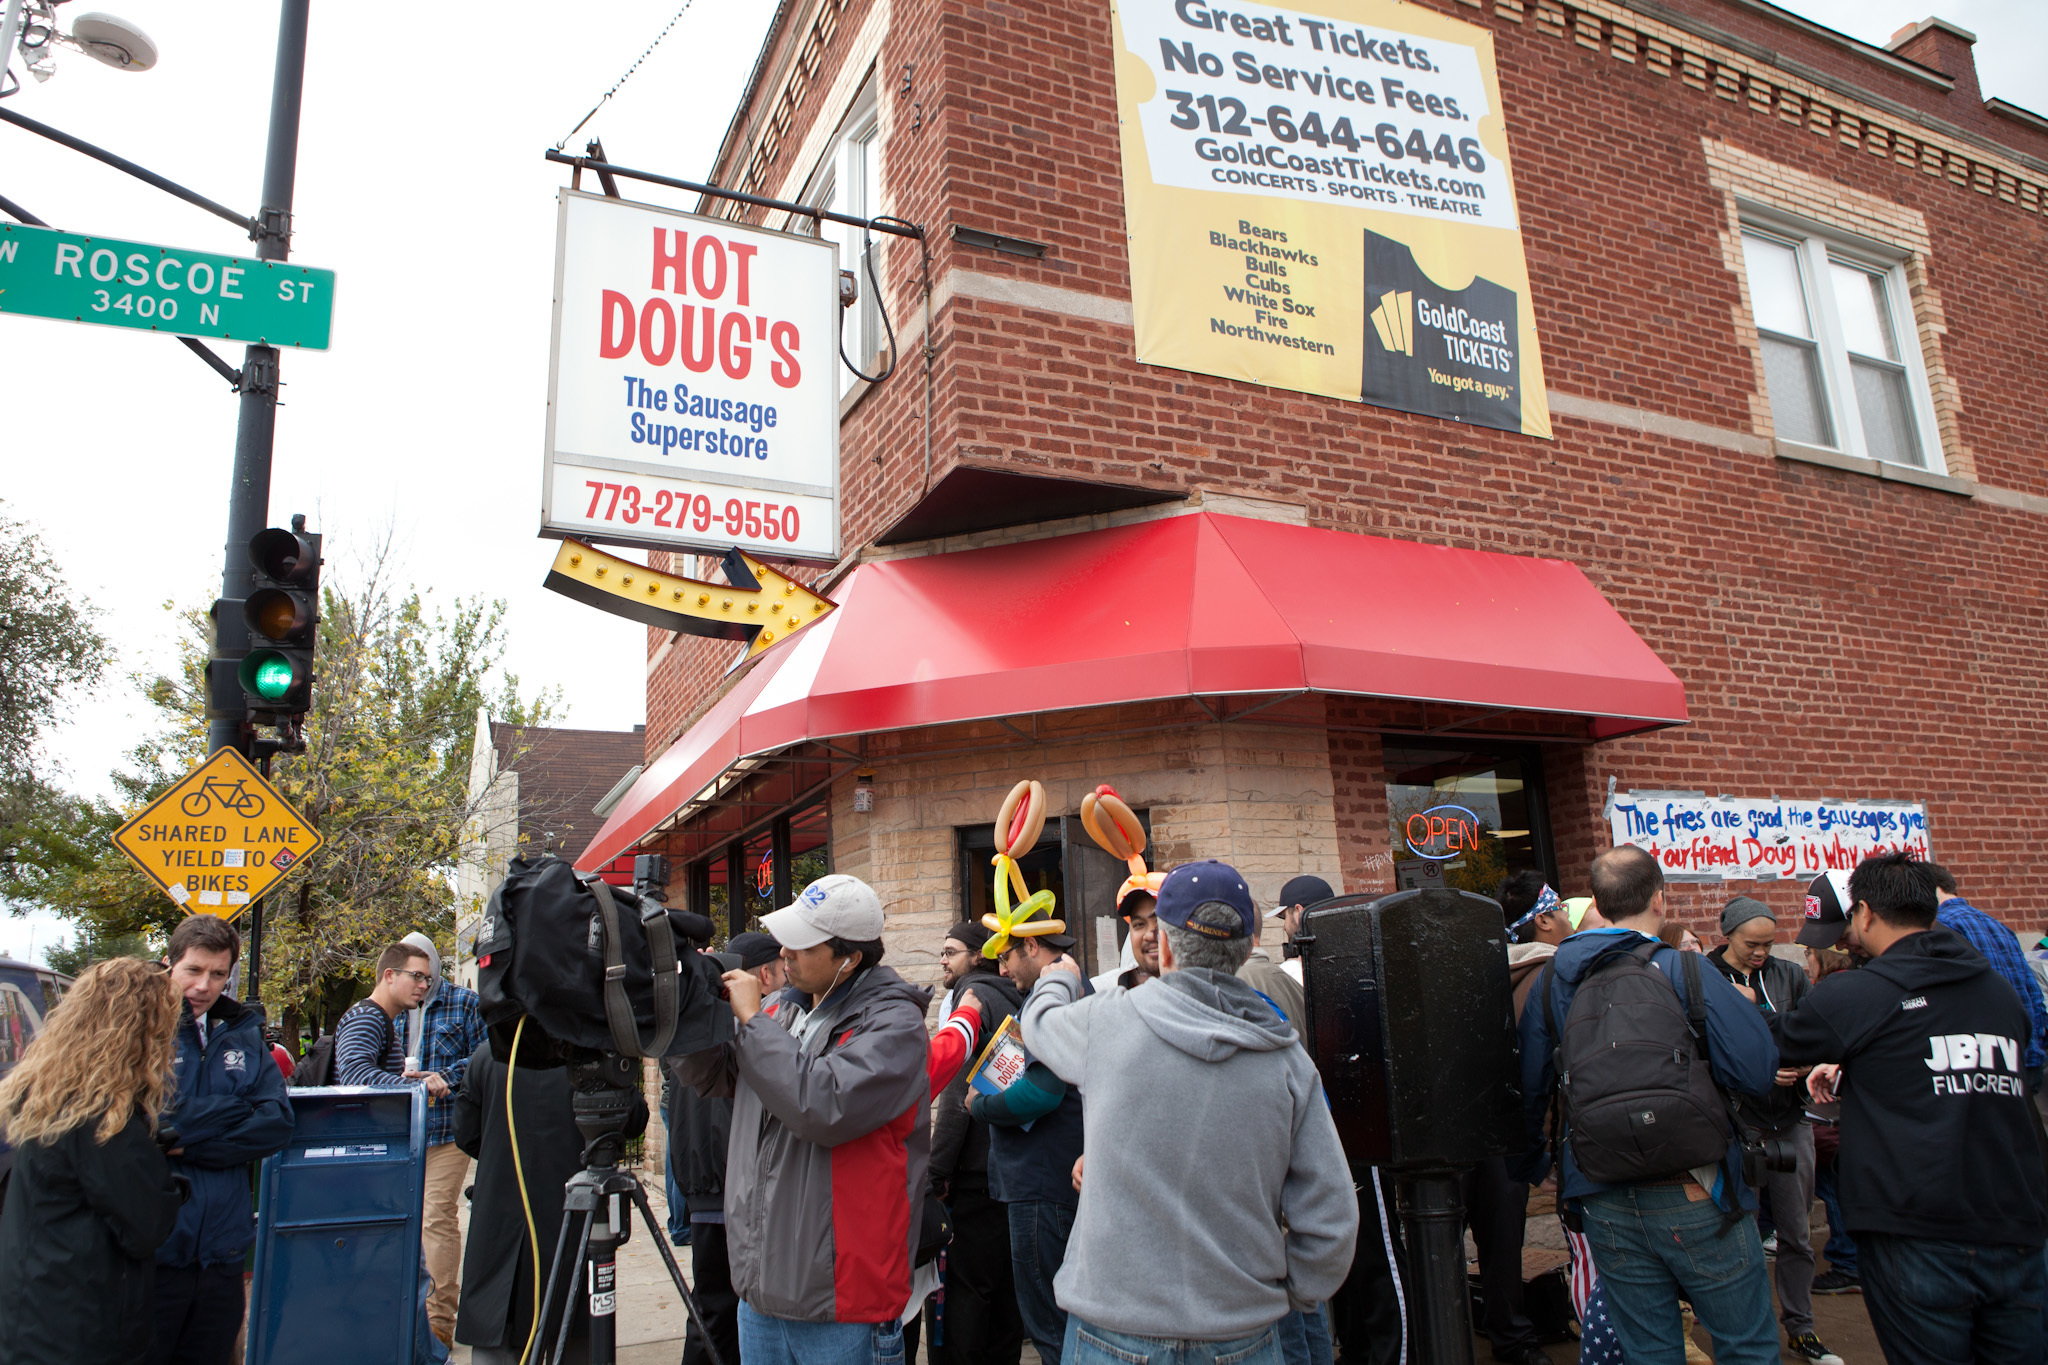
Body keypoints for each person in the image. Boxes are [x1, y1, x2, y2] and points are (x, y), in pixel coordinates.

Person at [1017, 859, 1359, 1365]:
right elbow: (1331, 1217)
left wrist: (1058, 977)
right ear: (1247, 947)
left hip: (1111, 1330)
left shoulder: (1105, 1022)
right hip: (1243, 1333)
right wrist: (1287, 1296)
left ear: (1169, 944)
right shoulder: (1287, 1059)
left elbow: (1039, 1024)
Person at [1518, 846, 1781, 1365]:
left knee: (1649, 1351)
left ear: (1595, 902)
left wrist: (1536, 1164)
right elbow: (1756, 1070)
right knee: (1744, 1344)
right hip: (1698, 1184)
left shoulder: (1551, 981)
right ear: (1660, 899)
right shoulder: (1684, 970)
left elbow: (1528, 1090)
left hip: (1601, 1190)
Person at [1779, 852, 2048, 1360]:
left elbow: (1767, 1045)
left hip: (1915, 1230)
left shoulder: (1858, 992)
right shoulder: (1996, 991)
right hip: (2016, 1226)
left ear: (1864, 914)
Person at [675, 874, 932, 1365]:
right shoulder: (780, 1009)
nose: (785, 953)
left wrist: (751, 1022)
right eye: (785, 940)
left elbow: (821, 1103)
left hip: (842, 1301)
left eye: (802, 944)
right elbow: (710, 1076)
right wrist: (690, 1007)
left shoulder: (893, 1024)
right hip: (763, 1290)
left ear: (850, 958)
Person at [0, 958, 188, 1365]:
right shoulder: (104, 1117)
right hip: (84, 1324)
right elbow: (148, 1224)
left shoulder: (49, 1092)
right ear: (140, 1033)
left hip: (34, 1311)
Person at [145, 916, 294, 1365]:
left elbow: (276, 1124)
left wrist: (187, 1145)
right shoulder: (141, 1031)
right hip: (155, 1247)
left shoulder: (243, 1033)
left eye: (217, 975)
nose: (203, 986)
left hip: (223, 1251)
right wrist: (233, 1110)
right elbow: (147, 1124)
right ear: (170, 965)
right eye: (193, 970)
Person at [1702, 897, 1837, 1365]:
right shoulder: (1703, 975)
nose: (1760, 953)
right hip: (1736, 1124)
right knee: (1738, 1237)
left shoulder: (1789, 974)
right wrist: (1755, 1068)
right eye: (1749, 944)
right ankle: (1748, 1334)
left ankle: (1801, 1328)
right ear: (1727, 933)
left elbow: (1809, 1030)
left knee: (1797, 1234)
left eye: (1767, 944)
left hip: (1790, 1118)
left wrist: (1797, 1065)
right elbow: (1701, 1045)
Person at [453, 1040, 646, 1365]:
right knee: (573, 1338)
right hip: (569, 1229)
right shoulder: (593, 1058)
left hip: (504, 1229)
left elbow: (466, 1132)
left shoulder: (488, 1054)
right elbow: (635, 1120)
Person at [973, 905, 1087, 1365]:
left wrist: (979, 1106)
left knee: (1051, 1324)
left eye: (1006, 958)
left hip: (1043, 1185)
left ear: (1033, 947)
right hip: (1057, 1178)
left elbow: (1042, 1092)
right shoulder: (1079, 991)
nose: (1002, 970)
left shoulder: (1052, 1002)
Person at [672, 930, 784, 1365]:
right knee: (719, 1310)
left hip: (709, 1184)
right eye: (782, 967)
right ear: (763, 975)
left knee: (712, 1309)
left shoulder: (718, 1021)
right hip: (725, 1189)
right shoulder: (736, 1028)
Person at [928, 920, 1025, 1365]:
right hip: (1015, 1167)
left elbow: (953, 1094)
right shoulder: (1021, 995)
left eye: (951, 951)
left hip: (974, 1173)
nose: (943, 960)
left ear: (977, 956)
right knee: (1006, 1290)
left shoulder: (974, 998)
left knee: (968, 1292)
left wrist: (937, 1169)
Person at [398, 950, 486, 1348]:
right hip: (403, 1129)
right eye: (411, 975)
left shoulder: (464, 1002)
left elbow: (487, 1056)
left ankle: (439, 1325)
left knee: (436, 1216)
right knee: (407, 1221)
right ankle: (408, 1317)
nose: (418, 983)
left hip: (447, 1127)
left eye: (423, 975)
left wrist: (445, 1077)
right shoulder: (393, 1008)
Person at [1926, 863, 2048, 1090]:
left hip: (1989, 1066)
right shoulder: (1999, 925)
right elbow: (2033, 995)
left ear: (1932, 890)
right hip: (2026, 1054)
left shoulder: (1941, 928)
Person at [1798, 944, 1859, 1296]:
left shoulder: (1828, 993)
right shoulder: (1861, 985)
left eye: (1808, 955)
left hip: (1831, 1108)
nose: (1807, 965)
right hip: (1850, 1108)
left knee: (1830, 1185)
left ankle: (1848, 1262)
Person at [335, 942, 443, 1092]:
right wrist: (417, 1086)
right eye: (417, 976)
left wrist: (411, 1081)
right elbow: (355, 1077)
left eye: (427, 979)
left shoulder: (380, 1018)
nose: (424, 985)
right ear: (389, 975)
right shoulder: (366, 1018)